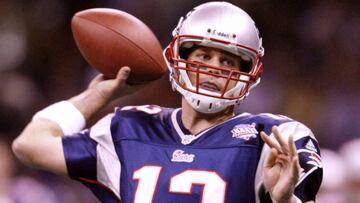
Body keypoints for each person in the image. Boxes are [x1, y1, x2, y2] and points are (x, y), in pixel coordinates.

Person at [12, 2, 322, 203]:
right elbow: (29, 144)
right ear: (179, 58)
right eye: (203, 55)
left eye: (228, 62)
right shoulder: (129, 128)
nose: (213, 68)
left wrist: (284, 201)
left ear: (248, 74)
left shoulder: (271, 137)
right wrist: (96, 97)